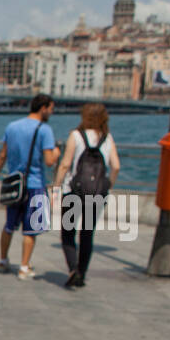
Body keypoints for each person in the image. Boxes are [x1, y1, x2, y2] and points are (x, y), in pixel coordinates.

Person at [0, 93, 59, 280]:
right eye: (51, 109)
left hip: (14, 184)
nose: (52, 113)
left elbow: (2, 155)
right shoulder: (45, 130)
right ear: (43, 108)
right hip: (35, 185)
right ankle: (24, 267)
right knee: (31, 229)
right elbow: (49, 161)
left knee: (9, 225)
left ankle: (3, 260)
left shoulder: (12, 126)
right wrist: (57, 152)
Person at [53, 102, 120, 289]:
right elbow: (116, 166)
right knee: (87, 234)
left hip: (74, 191)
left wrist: (56, 187)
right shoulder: (108, 138)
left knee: (68, 232)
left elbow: (65, 164)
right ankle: (82, 274)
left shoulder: (76, 136)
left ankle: (73, 269)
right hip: (97, 193)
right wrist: (107, 185)